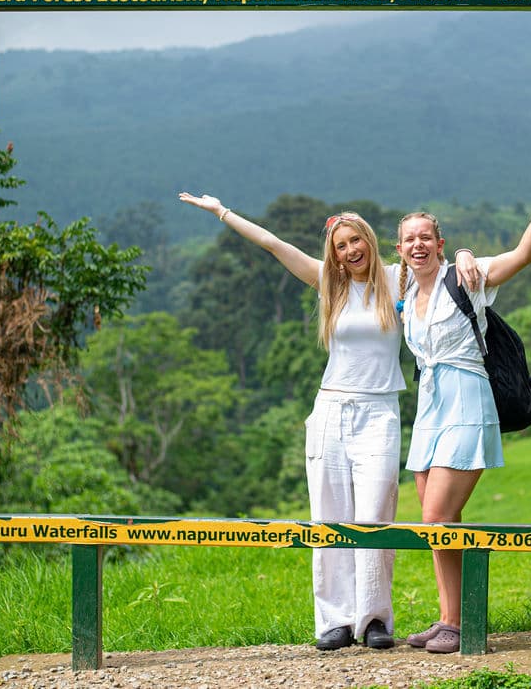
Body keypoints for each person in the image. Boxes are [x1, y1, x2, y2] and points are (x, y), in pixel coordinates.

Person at [178, 191, 477, 651]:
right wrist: (222, 212)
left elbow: (436, 261)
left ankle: (374, 620)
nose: (350, 250)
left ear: (372, 243)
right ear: (333, 254)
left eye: (356, 241)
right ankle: (335, 620)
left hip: (379, 411)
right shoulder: (329, 284)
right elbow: (274, 245)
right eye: (341, 245)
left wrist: (461, 251)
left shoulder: (397, 280)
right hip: (331, 411)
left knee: (376, 515)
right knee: (329, 515)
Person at [394, 169, 531, 654]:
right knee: (437, 523)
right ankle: (449, 619)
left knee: (438, 514)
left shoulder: (466, 277)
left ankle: (460, 621)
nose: (418, 245)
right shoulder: (406, 295)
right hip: (430, 407)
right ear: (400, 249)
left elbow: (523, 256)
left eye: (426, 238)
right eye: (409, 239)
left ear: (440, 242)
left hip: (468, 400)